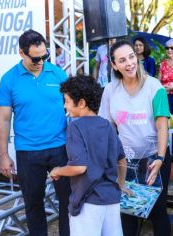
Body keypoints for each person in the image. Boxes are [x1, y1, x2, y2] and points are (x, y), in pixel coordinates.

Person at [0, 29, 70, 236]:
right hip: (28, 152)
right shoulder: (8, 79)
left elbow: (75, 108)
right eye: (35, 58)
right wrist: (3, 155)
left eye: (44, 56)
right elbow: (3, 119)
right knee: (33, 204)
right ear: (21, 53)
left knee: (69, 201)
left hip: (60, 148)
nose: (40, 61)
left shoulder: (58, 73)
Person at [99, 41, 171, 236]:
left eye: (131, 56)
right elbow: (107, 129)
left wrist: (160, 158)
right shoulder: (110, 90)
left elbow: (162, 124)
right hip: (125, 162)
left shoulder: (155, 86)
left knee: (158, 211)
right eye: (122, 60)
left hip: (154, 158)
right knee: (127, 211)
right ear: (114, 65)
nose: (129, 63)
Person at [50, 75, 127, 236]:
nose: (65, 106)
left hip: (88, 201)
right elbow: (121, 159)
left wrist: (57, 170)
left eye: (67, 101)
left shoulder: (75, 127)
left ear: (82, 103)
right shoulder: (106, 125)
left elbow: (79, 167)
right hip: (111, 200)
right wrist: (120, 184)